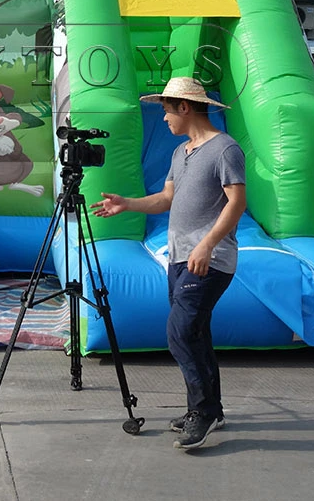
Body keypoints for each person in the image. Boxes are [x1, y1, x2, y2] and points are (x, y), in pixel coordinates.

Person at [90, 76, 246, 451]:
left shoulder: (225, 149)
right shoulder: (182, 153)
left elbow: (236, 203)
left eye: (166, 110)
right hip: (179, 258)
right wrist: (127, 203)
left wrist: (207, 245)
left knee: (179, 332)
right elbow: (165, 199)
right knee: (196, 333)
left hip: (209, 258)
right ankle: (213, 408)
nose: (163, 119)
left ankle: (202, 413)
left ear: (185, 107)